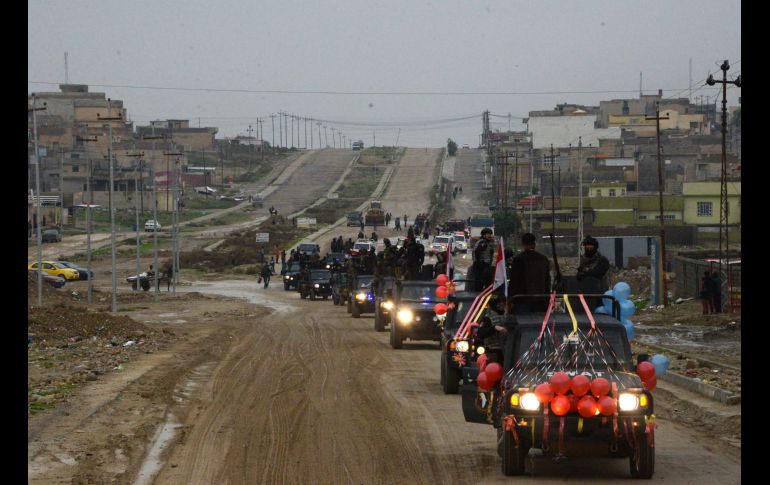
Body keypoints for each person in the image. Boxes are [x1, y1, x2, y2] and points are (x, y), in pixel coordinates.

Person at [508, 233, 551, 313]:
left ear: (523, 244)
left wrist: (510, 299)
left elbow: (514, 281)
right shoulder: (543, 259)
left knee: (523, 324)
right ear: (534, 244)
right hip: (541, 299)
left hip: (522, 300)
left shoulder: (518, 259)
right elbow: (547, 280)